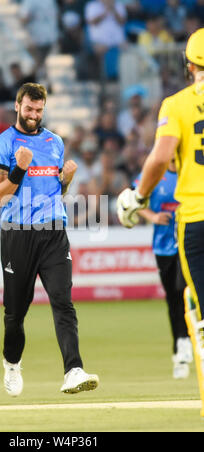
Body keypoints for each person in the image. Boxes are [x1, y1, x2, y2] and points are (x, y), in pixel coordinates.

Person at [0, 83, 99, 396]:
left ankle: (73, 370)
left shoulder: (55, 142)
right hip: (17, 235)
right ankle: (12, 363)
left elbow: (55, 190)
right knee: (15, 314)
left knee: (63, 302)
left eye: (38, 110)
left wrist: (66, 181)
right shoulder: (3, 143)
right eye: (28, 109)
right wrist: (19, 170)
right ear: (17, 105)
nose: (33, 115)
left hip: (53, 233)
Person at [117, 28, 204, 416]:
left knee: (197, 310)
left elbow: (158, 157)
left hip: (197, 218)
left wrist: (137, 198)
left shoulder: (177, 104)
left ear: (189, 67)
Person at [133, 160, 193, 379]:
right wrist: (153, 216)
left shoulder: (192, 169)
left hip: (190, 243)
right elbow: (133, 199)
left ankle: (187, 342)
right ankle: (179, 350)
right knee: (173, 298)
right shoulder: (156, 173)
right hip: (164, 246)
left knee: (184, 291)